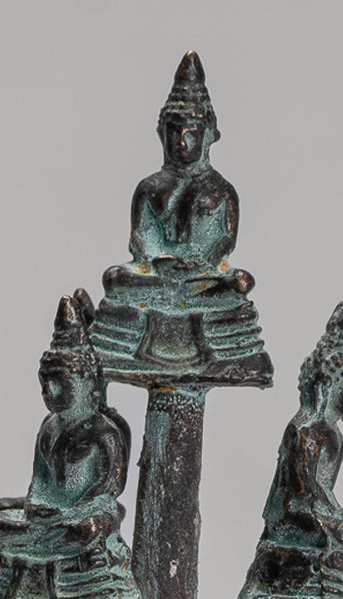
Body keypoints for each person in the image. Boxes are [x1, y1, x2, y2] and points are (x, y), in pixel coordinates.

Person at [91, 52, 272, 386]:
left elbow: (224, 244)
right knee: (114, 279)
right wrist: (161, 264)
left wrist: (199, 266)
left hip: (200, 281)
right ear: (161, 134)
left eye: (191, 133)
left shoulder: (221, 191)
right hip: (159, 278)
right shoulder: (149, 188)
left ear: (209, 135)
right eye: (174, 132)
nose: (182, 142)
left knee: (240, 283)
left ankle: (217, 342)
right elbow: (141, 245)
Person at [0, 294, 141, 599]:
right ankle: (2, 590)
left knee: (86, 531)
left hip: (85, 513)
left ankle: (88, 596)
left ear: (86, 384)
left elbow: (108, 489)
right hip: (51, 513)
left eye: (59, 383)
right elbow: (40, 481)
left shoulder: (103, 433)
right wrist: (40, 504)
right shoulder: (49, 427)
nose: (49, 391)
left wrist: (72, 510)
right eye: (44, 383)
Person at [235, 303, 343, 599]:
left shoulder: (333, 435)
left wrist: (337, 515)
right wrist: (329, 520)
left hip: (315, 512)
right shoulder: (305, 431)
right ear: (327, 384)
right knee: (339, 536)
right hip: (294, 516)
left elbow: (325, 490)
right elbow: (303, 491)